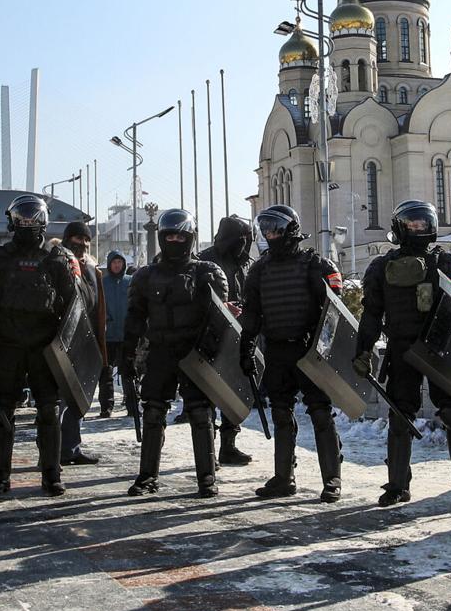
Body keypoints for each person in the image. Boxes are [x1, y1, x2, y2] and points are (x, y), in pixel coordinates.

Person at [354, 199, 451, 508]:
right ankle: (397, 485)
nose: (418, 228)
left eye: (422, 222)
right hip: (401, 349)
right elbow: (370, 314)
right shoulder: (381, 267)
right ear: (400, 227)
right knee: (399, 417)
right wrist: (363, 350)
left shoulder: (450, 262)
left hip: (440, 349)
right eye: (412, 223)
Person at [0, 195, 80, 497]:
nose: (27, 224)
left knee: (49, 411)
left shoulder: (58, 258)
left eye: (32, 219)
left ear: (42, 221)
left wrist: (72, 351)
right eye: (22, 219)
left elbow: (73, 307)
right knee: (2, 411)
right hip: (9, 342)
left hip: (44, 346)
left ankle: (51, 474)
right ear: (13, 220)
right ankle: (0, 476)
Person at [238, 205, 345, 501]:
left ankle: (332, 479)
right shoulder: (259, 270)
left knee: (320, 413)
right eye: (267, 229)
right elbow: (252, 314)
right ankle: (284, 478)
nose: (271, 234)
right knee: (281, 413)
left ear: (290, 230)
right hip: (277, 351)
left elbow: (335, 313)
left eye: (276, 229)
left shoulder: (314, 265)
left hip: (309, 350)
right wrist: (246, 347)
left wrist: (326, 351)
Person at [122, 209, 227, 497]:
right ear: (161, 237)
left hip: (195, 351)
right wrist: (127, 354)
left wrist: (209, 348)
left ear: (190, 237)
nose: (175, 240)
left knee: (201, 412)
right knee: (153, 411)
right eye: (170, 235)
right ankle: (147, 477)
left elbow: (221, 318)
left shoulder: (207, 272)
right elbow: (134, 318)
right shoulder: (145, 276)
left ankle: (206, 478)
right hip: (161, 351)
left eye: (180, 235)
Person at [200, 214, 256, 466]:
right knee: (210, 393)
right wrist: (221, 308)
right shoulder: (204, 261)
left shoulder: (246, 263)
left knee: (235, 391)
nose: (244, 244)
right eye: (241, 239)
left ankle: (228, 445)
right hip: (211, 335)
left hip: (240, 335)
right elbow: (195, 297)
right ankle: (208, 450)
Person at [58, 222, 106, 465]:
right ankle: (54, 449)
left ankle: (71, 448)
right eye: (78, 238)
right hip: (62, 342)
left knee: (79, 398)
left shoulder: (91, 269)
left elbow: (96, 307)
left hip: (86, 343)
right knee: (60, 400)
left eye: (87, 240)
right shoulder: (59, 264)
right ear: (68, 239)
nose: (83, 244)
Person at [99, 249, 130, 418]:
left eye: (120, 262)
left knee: (129, 371)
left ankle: (132, 404)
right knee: (106, 373)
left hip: (126, 334)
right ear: (110, 264)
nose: (117, 265)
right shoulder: (103, 283)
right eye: (114, 262)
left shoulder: (130, 282)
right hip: (108, 335)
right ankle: (106, 406)